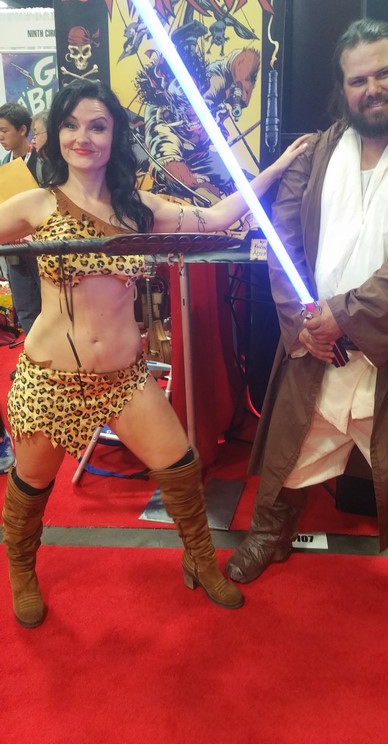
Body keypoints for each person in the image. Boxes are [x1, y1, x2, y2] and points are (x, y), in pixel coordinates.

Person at [0, 78, 307, 628]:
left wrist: (278, 167)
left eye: (97, 126)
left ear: (115, 135)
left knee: (180, 467)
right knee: (32, 486)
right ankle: (22, 570)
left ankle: (200, 559)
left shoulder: (137, 209)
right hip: (51, 379)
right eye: (71, 125)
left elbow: (215, 218)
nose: (83, 137)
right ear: (56, 136)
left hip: (124, 377)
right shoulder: (37, 204)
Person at [225, 18, 388, 627]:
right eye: (358, 80)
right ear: (343, 87)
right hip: (318, 345)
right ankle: (271, 533)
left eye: (383, 72)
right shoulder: (318, 150)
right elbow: (284, 241)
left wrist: (345, 317)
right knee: (294, 447)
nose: (372, 88)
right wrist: (303, 322)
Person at [0, 103, 42, 335]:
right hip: (13, 245)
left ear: (23, 129)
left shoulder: (43, 160)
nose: (0, 136)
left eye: (4, 130)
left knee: (52, 301)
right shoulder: (3, 165)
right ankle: (34, 352)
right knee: (25, 304)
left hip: (42, 244)